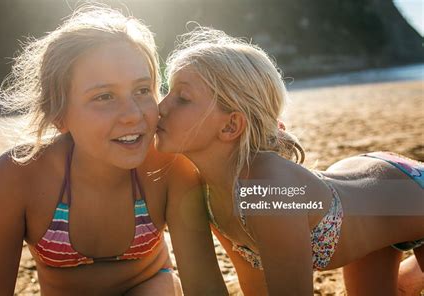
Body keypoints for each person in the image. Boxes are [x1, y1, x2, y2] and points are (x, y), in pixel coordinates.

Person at [0, 7, 227, 296]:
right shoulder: (20, 173)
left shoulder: (170, 167)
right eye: (104, 96)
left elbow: (204, 286)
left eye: (142, 90)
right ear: (59, 114)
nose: (132, 115)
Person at [156, 27, 424, 295]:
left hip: (410, 197)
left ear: (230, 126)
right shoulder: (210, 190)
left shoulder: (268, 188)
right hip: (375, 210)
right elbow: (255, 285)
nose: (160, 107)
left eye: (182, 98)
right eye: (167, 91)